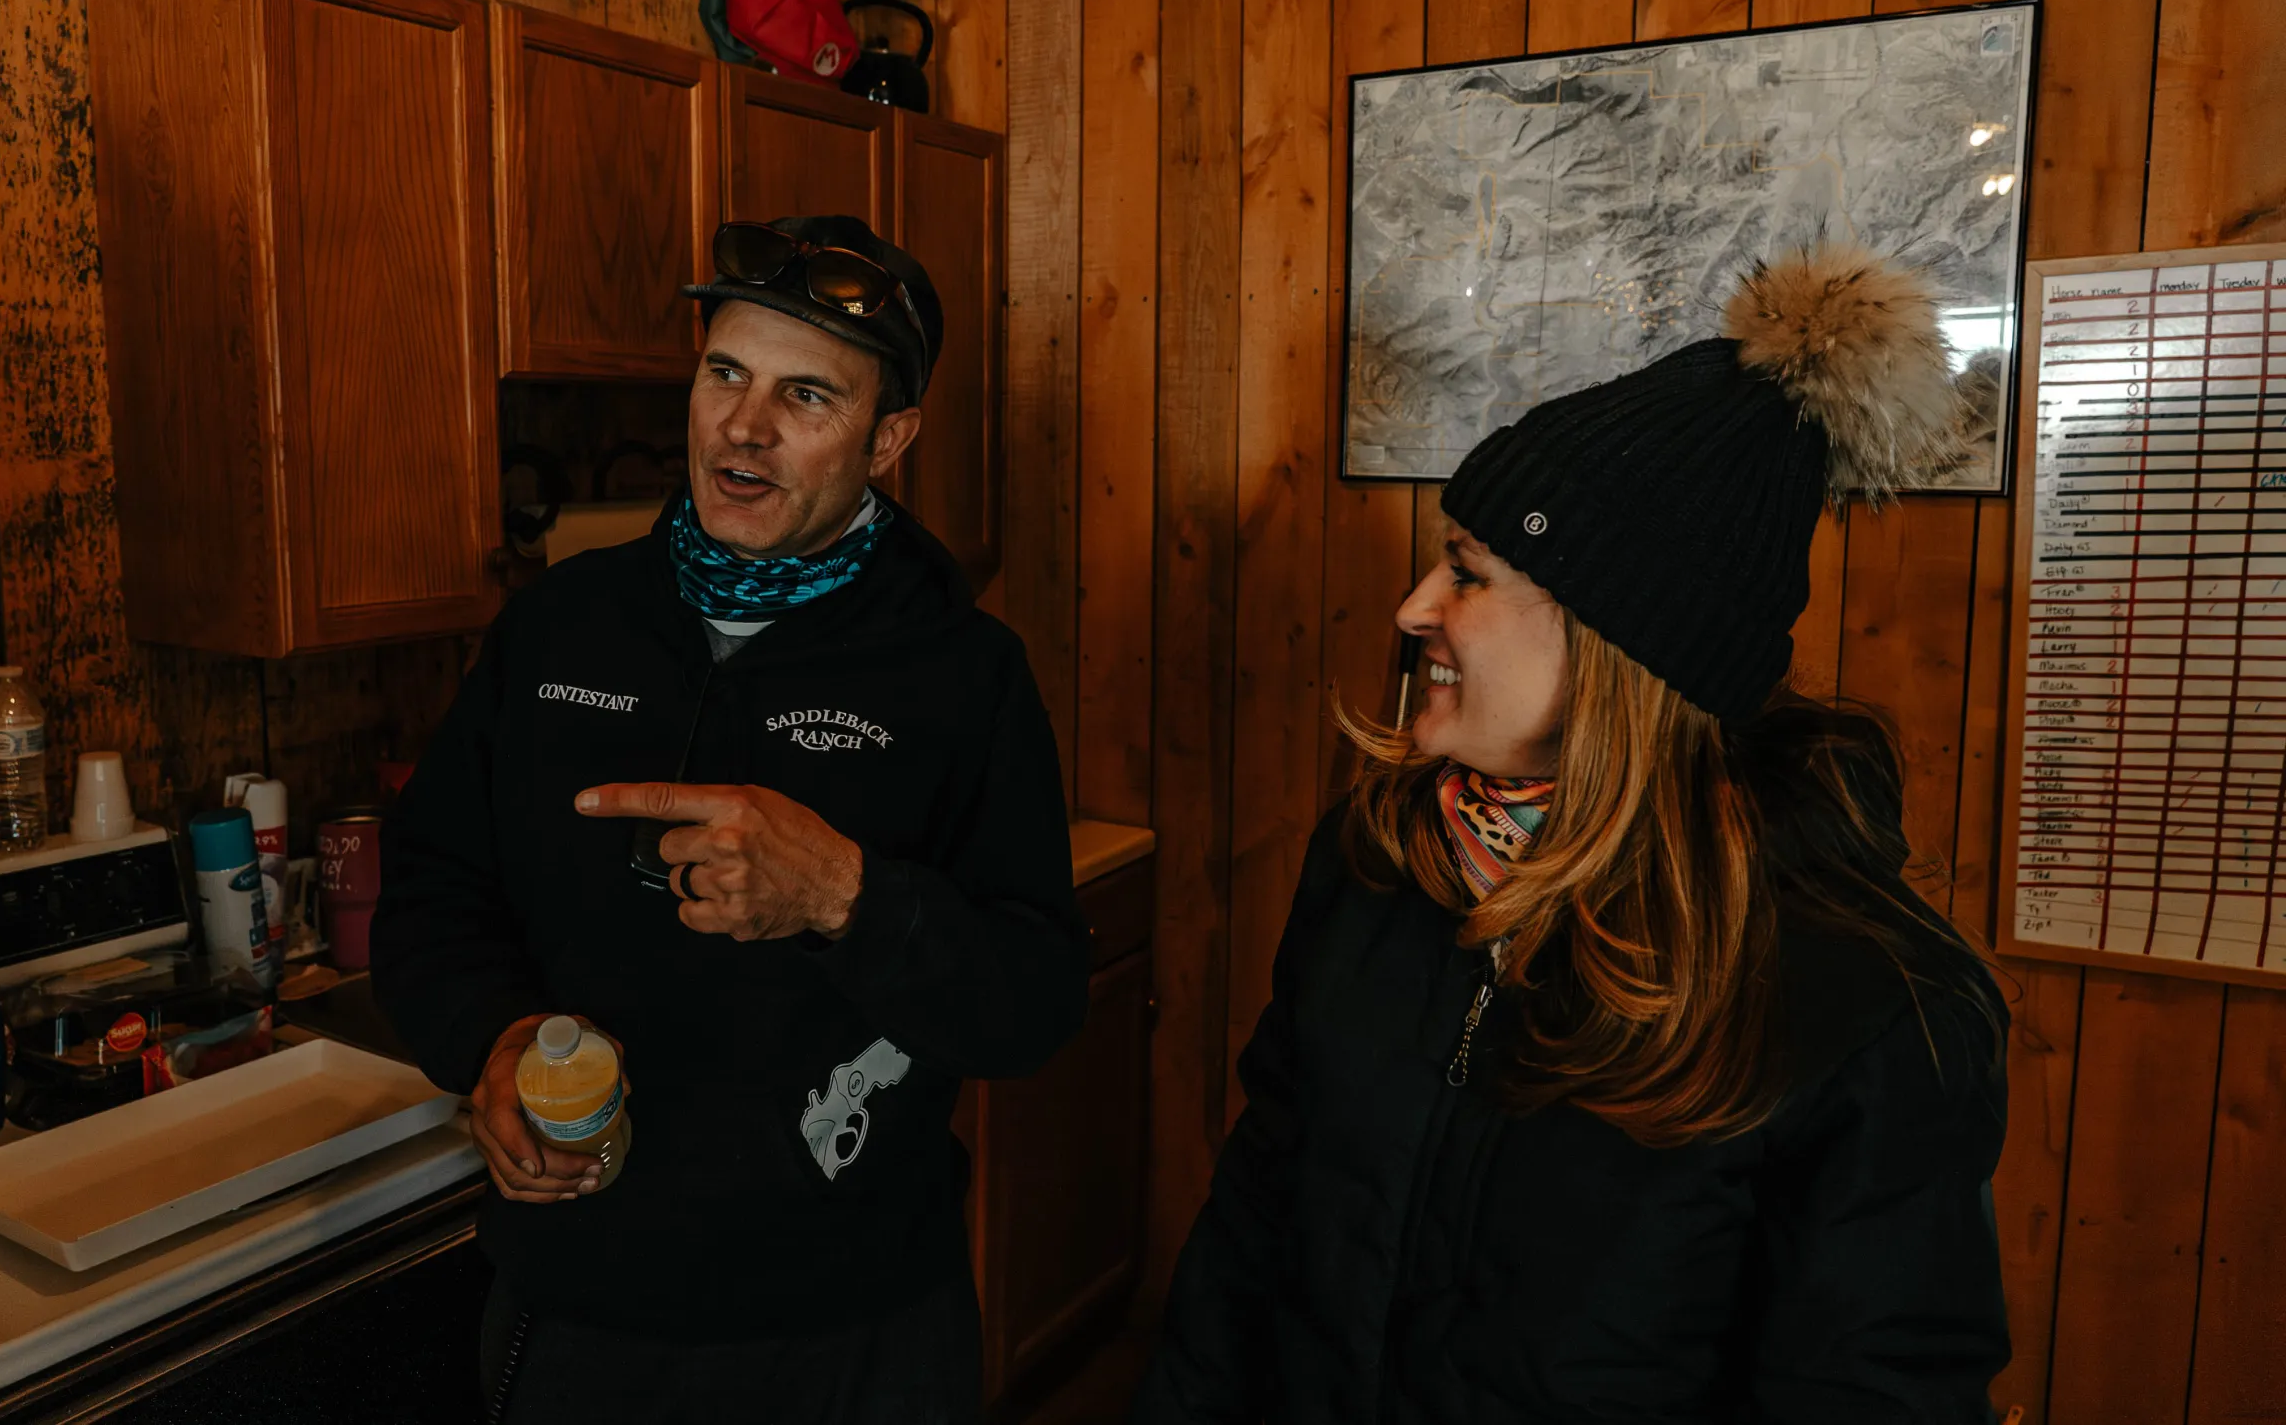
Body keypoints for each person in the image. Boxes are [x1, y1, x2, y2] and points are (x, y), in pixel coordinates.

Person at [1134, 242, 2012, 1423]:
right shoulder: (1379, 858)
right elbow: (1255, 1222)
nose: (1413, 608)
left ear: (1621, 641)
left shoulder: (1865, 1001)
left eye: (1467, 574)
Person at [373, 215, 1090, 1424]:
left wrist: (846, 897)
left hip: (855, 1329)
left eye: (806, 395)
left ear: (889, 438)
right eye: (725, 374)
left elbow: (1035, 1000)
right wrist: (492, 1038)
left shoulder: (967, 674)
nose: (743, 428)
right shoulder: (559, 625)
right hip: (580, 1306)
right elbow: (434, 888)